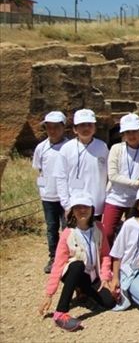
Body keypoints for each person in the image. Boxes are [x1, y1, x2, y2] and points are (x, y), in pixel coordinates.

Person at [39, 193, 115, 332]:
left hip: (92, 275)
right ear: (72, 211)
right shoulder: (68, 233)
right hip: (74, 272)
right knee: (77, 265)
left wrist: (105, 278)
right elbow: (58, 264)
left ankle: (82, 290)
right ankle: (60, 313)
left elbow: (105, 255)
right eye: (78, 207)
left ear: (92, 209)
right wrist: (49, 294)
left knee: (109, 302)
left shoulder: (99, 227)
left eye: (85, 206)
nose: (82, 210)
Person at [102, 113, 139, 247]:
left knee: (132, 235)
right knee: (107, 232)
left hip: (135, 200)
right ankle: (107, 261)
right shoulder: (116, 149)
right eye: (127, 132)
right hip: (115, 197)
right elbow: (113, 176)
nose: (131, 135)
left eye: (134, 131)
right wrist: (136, 183)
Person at [53, 109, 108, 220]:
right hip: (74, 204)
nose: (86, 128)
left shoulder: (102, 147)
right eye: (82, 125)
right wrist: (66, 204)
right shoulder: (66, 149)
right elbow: (60, 178)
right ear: (75, 129)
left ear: (94, 128)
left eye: (89, 125)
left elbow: (109, 176)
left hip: (96, 204)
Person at [33, 111, 69, 273]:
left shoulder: (70, 147)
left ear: (63, 127)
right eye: (49, 127)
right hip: (48, 196)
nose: (52, 131)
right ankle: (54, 257)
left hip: (66, 196)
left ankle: (67, 256)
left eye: (56, 127)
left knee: (67, 227)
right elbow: (39, 169)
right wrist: (43, 188)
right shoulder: (41, 148)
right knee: (51, 228)